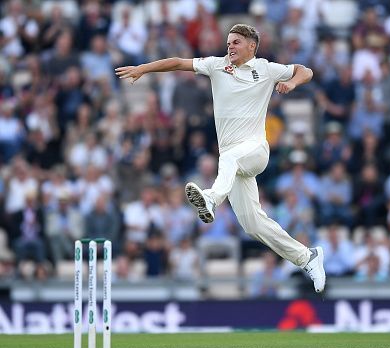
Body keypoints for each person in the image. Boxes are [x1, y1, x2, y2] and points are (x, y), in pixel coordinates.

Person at [115, 24, 326, 292]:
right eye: (228, 43)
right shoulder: (216, 65)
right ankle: (308, 257)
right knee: (252, 224)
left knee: (229, 159)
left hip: (255, 149)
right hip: (234, 161)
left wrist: (292, 83)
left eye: (236, 42)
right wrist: (143, 68)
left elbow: (305, 70)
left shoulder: (266, 68)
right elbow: (179, 62)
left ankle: (212, 200)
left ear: (252, 46)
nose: (230, 47)